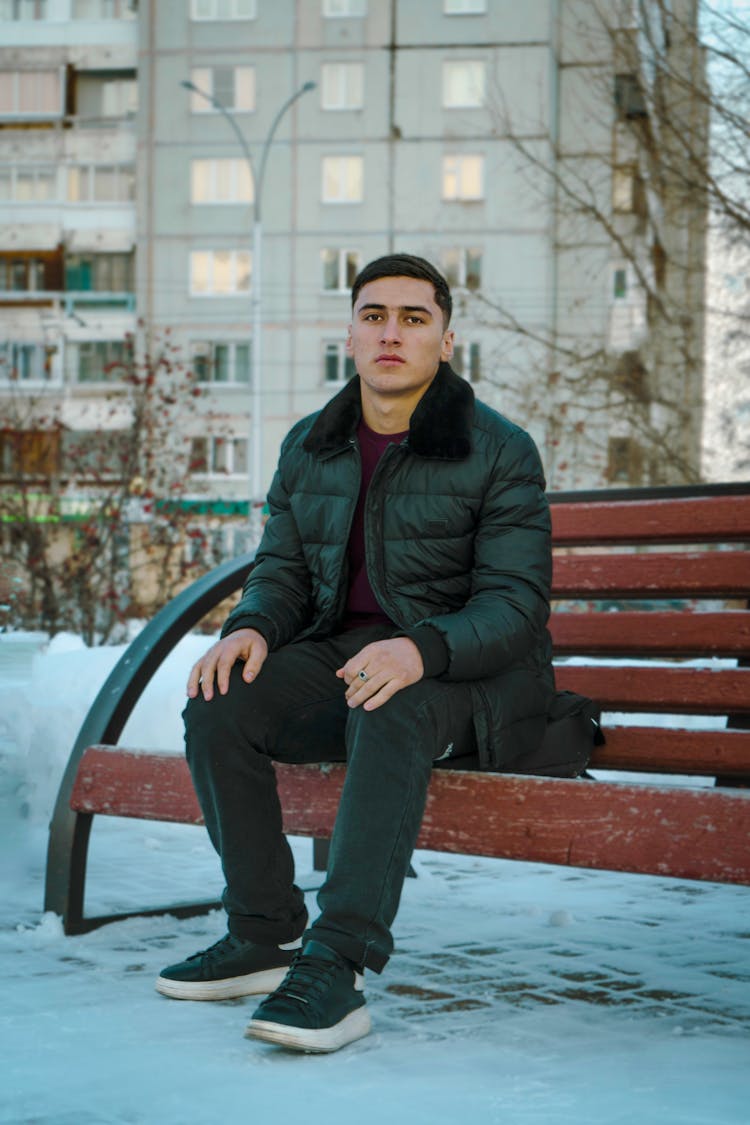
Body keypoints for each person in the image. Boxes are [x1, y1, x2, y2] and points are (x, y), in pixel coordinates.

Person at [156, 253, 554, 1053]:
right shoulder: (313, 444)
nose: (392, 333)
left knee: (389, 693)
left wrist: (422, 648)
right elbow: (282, 573)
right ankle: (263, 931)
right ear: (350, 333)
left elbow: (515, 607)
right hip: (349, 660)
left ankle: (338, 963)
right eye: (375, 315)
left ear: (447, 338)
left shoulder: (500, 450)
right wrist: (252, 628)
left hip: (470, 676)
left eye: (414, 317)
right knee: (220, 698)